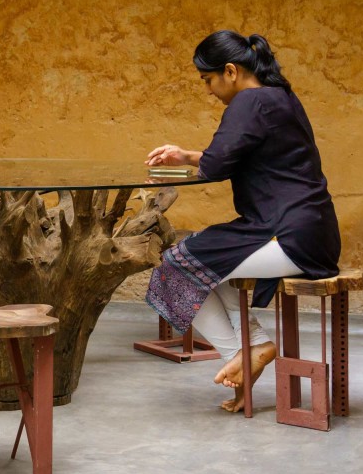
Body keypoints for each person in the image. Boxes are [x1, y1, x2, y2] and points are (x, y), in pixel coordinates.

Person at [144, 30, 340, 412]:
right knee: (211, 268)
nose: (208, 90)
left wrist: (191, 161)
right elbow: (238, 153)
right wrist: (186, 156)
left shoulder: (248, 102)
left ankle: (242, 354)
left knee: (173, 269)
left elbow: (218, 164)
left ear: (230, 71)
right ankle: (256, 348)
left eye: (208, 80)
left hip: (285, 233)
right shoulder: (280, 96)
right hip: (311, 229)